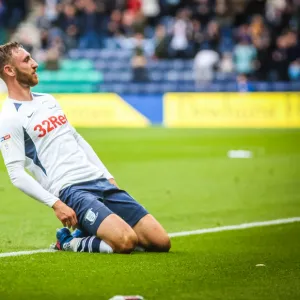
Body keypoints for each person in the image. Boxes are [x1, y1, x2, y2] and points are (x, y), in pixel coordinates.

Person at [0, 42, 171, 254]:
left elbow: (76, 138)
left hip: (97, 179)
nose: (35, 64)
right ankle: (70, 242)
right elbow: (16, 174)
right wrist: (56, 204)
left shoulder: (48, 100)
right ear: (9, 70)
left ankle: (89, 231)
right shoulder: (9, 117)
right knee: (126, 241)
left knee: (161, 242)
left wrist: (106, 175)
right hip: (70, 190)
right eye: (26, 60)